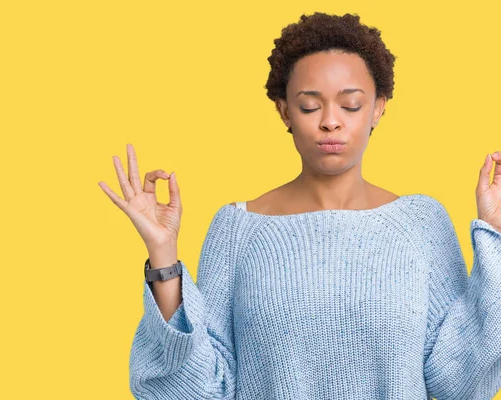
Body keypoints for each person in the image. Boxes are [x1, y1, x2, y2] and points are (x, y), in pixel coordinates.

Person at [98, 12, 501, 400]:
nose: (330, 121)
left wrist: (496, 235)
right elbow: (202, 390)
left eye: (351, 105)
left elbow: (460, 383)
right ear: (284, 110)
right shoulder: (237, 229)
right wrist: (163, 254)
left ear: (379, 107)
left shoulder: (421, 224)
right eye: (310, 105)